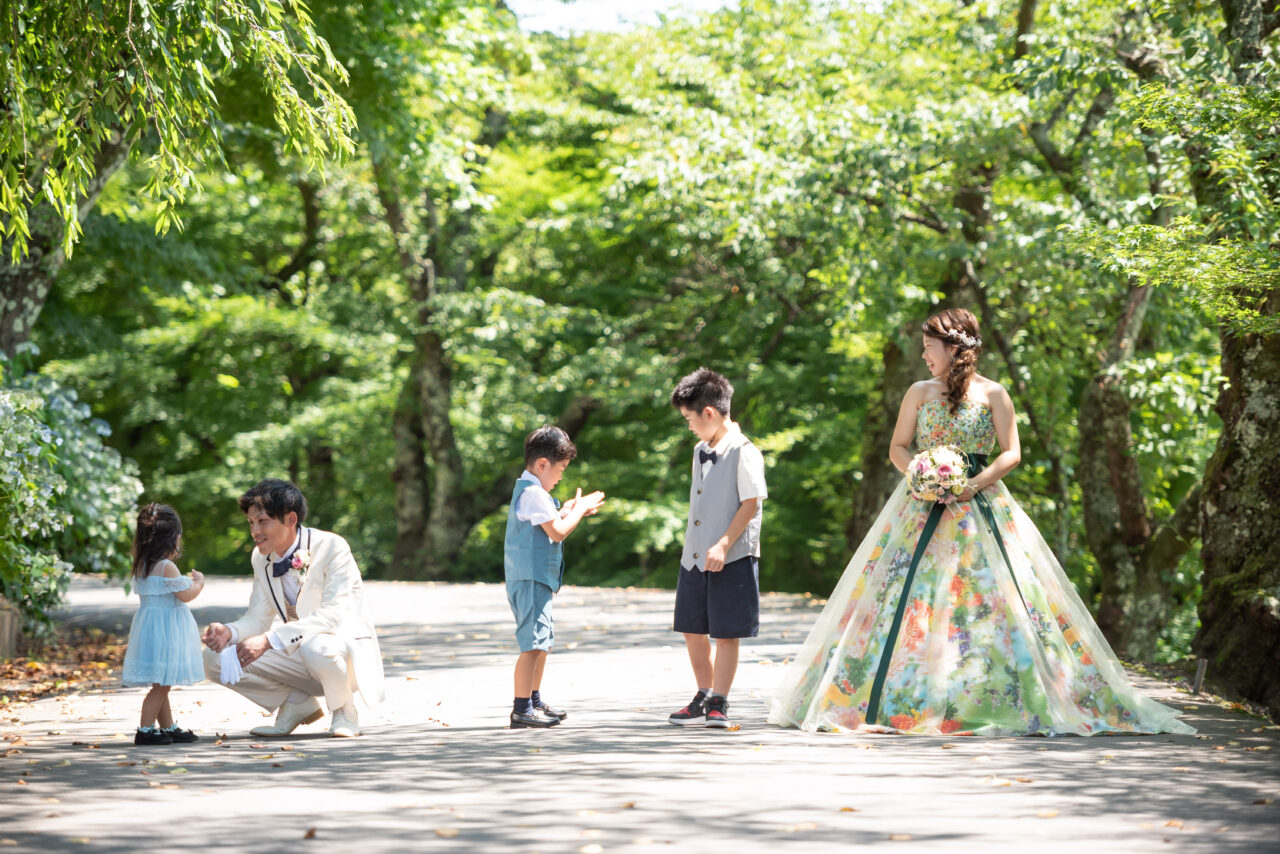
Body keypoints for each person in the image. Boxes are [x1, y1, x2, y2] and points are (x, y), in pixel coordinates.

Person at [768, 308, 1194, 735]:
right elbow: (898, 446)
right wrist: (919, 473)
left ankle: (996, 694)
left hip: (981, 503)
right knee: (908, 596)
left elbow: (1012, 452)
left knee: (992, 596)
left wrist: (973, 484)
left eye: (929, 347)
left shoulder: (995, 394)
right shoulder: (918, 391)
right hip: (919, 504)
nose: (924, 356)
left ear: (953, 348)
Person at [201, 479, 385, 737]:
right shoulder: (260, 557)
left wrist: (268, 640)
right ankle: (297, 702)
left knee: (316, 646)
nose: (254, 530)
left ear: (290, 519)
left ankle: (344, 709)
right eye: (250, 523)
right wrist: (229, 632)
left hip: (343, 654)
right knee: (215, 658)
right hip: (297, 651)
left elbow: (332, 616)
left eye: (262, 521)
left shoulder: (332, 547)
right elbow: (257, 616)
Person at [666, 368, 767, 729]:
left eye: (690, 419)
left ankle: (720, 701)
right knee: (692, 628)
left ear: (709, 413)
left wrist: (723, 544)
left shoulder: (745, 452)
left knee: (726, 633)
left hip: (733, 555)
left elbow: (751, 503)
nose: (689, 427)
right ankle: (703, 694)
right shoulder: (699, 451)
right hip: (694, 555)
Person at [505, 426, 605, 729]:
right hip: (530, 578)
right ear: (542, 465)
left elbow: (552, 520)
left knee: (542, 642)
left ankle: (534, 700)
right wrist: (581, 508)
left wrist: (573, 509)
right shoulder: (533, 492)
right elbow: (558, 532)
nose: (561, 476)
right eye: (560, 470)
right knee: (531, 644)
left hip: (539, 579)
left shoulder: (536, 493)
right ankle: (521, 708)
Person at [121, 503, 206, 746]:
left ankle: (167, 726)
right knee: (161, 686)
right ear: (174, 538)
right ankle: (145, 730)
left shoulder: (142, 566)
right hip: (166, 634)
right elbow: (186, 595)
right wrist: (199, 583)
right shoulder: (166, 567)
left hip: (151, 631)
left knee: (162, 682)